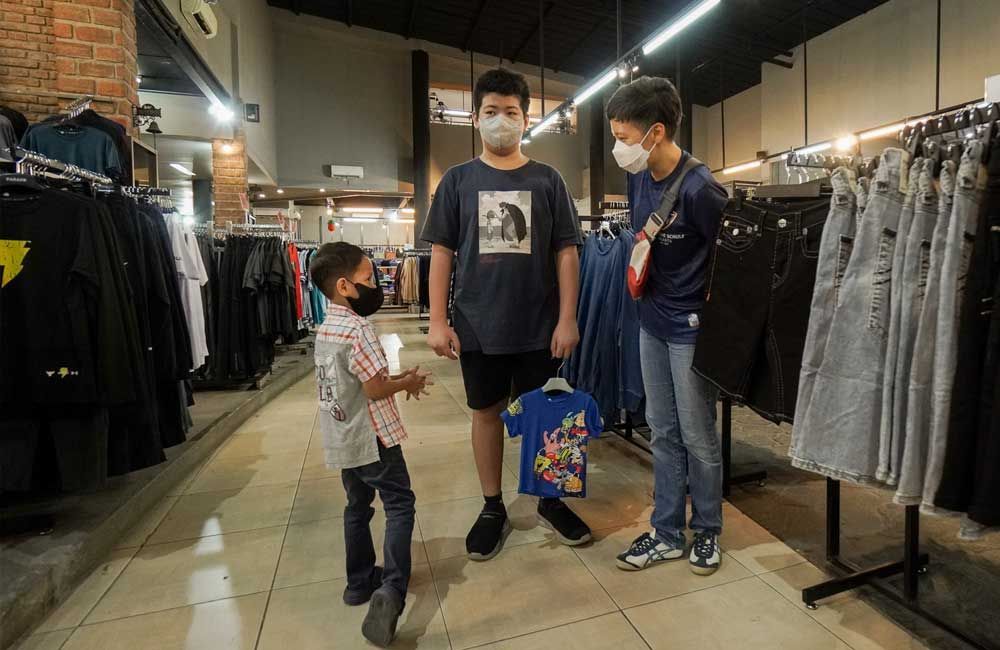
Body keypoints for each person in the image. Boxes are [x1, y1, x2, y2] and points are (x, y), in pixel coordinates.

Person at [421, 68, 588, 561]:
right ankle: (493, 505)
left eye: (511, 112)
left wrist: (568, 318)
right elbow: (442, 254)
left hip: (541, 323)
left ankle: (551, 499)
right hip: (478, 323)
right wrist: (436, 320)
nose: (500, 121)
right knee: (486, 413)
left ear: (526, 118)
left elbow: (568, 252)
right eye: (491, 112)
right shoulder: (456, 181)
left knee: (549, 415)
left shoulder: (548, 179)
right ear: (476, 119)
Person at [606, 77, 729, 575]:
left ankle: (708, 531)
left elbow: (733, 259)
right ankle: (667, 532)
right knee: (661, 429)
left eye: (624, 136)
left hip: (691, 327)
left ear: (656, 132)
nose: (619, 147)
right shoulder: (638, 178)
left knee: (698, 433)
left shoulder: (702, 188)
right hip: (650, 320)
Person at [310, 242, 432, 648]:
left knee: (356, 507)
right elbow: (375, 388)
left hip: (343, 437)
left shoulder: (325, 328)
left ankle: (358, 582)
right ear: (344, 286)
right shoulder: (358, 329)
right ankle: (392, 590)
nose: (375, 283)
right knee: (400, 504)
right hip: (373, 437)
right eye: (368, 278)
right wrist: (407, 382)